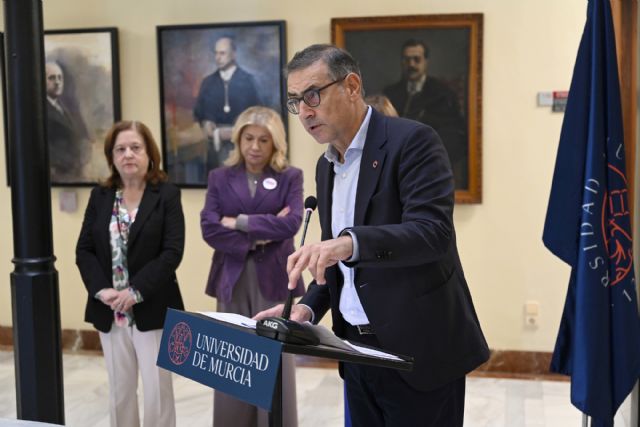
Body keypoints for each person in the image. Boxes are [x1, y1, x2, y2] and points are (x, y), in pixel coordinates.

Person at [255, 44, 489, 426]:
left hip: (419, 354)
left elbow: (432, 233)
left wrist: (347, 243)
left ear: (351, 86)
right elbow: (340, 266)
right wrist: (307, 308)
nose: (305, 112)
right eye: (296, 101)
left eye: (313, 95)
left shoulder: (412, 142)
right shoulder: (326, 166)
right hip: (356, 352)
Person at [76, 120, 185, 427]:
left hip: (151, 306)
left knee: (157, 392)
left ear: (150, 153)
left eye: (135, 148)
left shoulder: (166, 195)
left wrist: (134, 291)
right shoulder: (101, 196)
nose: (128, 155)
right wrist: (102, 290)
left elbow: (171, 253)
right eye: (120, 149)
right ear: (111, 156)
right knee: (120, 392)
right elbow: (84, 249)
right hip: (110, 309)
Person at [200, 106, 304, 427]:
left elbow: (293, 223)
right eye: (248, 138)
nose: (255, 147)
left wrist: (241, 222)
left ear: (276, 144)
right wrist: (261, 233)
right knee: (232, 358)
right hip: (231, 277)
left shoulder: (290, 177)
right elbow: (209, 227)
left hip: (274, 280)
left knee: (272, 359)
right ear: (238, 140)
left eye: (263, 140)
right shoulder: (219, 177)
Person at [383, 39, 468, 187]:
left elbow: (456, 137)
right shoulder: (389, 94)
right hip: (395, 172)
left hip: (431, 170)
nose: (412, 65)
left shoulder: (444, 95)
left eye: (417, 59)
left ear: (426, 61)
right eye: (407, 60)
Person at [193, 36, 262, 171]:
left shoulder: (248, 81)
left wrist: (238, 130)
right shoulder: (208, 82)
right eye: (216, 53)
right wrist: (206, 122)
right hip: (215, 148)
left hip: (244, 149)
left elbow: (259, 112)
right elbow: (199, 111)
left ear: (234, 54)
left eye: (222, 53)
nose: (217, 57)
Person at [45, 60, 89, 182]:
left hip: (72, 170)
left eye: (60, 78)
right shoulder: (41, 111)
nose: (57, 82)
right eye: (52, 78)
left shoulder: (62, 106)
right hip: (59, 172)